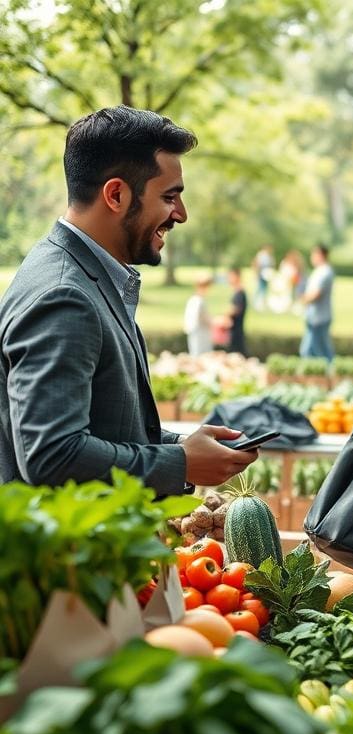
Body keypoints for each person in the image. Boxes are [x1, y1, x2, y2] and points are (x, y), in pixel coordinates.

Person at [0, 106, 257, 495]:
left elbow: (106, 424)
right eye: (170, 197)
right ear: (117, 194)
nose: (181, 215)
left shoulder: (82, 271)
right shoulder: (63, 294)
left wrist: (179, 446)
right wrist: (181, 463)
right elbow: (51, 454)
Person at [299, 243, 335, 361]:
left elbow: (316, 294)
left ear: (320, 254)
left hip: (320, 318)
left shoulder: (325, 272)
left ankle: (330, 372)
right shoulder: (318, 271)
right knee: (314, 350)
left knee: (317, 350)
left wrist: (303, 300)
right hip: (313, 316)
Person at [183, 274, 214, 356]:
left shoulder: (194, 300)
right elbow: (202, 318)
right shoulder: (198, 301)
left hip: (197, 332)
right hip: (200, 333)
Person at [223, 266, 248, 356]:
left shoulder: (240, 292)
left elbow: (236, 309)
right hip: (234, 329)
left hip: (236, 329)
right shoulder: (237, 291)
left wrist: (224, 315)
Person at [252, 244, 273, 310]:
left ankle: (262, 303)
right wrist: (257, 274)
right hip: (261, 274)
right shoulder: (261, 255)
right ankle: (255, 303)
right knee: (260, 288)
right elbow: (257, 264)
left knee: (264, 289)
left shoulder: (269, 256)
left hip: (267, 274)